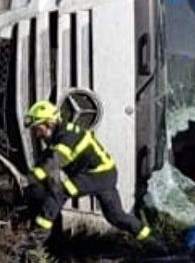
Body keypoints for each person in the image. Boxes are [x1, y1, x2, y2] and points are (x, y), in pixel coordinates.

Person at [24, 100, 151, 244]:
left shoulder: (67, 137)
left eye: (37, 129)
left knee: (59, 192)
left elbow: (53, 162)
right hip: (105, 175)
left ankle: (36, 240)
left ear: (49, 123)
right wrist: (32, 175)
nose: (37, 134)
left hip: (97, 174)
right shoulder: (59, 135)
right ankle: (149, 239)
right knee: (116, 216)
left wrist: (29, 180)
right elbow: (45, 159)